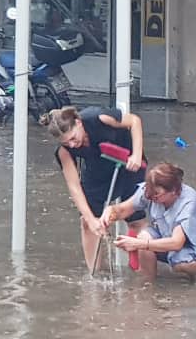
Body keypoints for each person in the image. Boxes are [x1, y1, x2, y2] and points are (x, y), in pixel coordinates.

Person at [43, 104, 146, 268]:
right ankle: (95, 273)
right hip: (97, 172)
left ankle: (143, 269)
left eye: (73, 138)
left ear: (78, 123)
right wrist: (92, 220)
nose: (72, 145)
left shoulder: (99, 117)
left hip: (128, 164)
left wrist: (137, 154)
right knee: (87, 222)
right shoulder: (64, 151)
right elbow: (74, 187)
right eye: (66, 142)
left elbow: (134, 121)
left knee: (135, 218)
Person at [103, 162, 196, 284]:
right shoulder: (150, 192)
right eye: (149, 192)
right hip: (167, 235)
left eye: (157, 194)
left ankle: (195, 274)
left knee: (180, 262)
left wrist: (138, 244)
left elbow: (176, 243)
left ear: (173, 191)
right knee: (143, 236)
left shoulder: (188, 203)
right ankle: (147, 282)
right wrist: (110, 213)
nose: (152, 197)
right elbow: (122, 209)